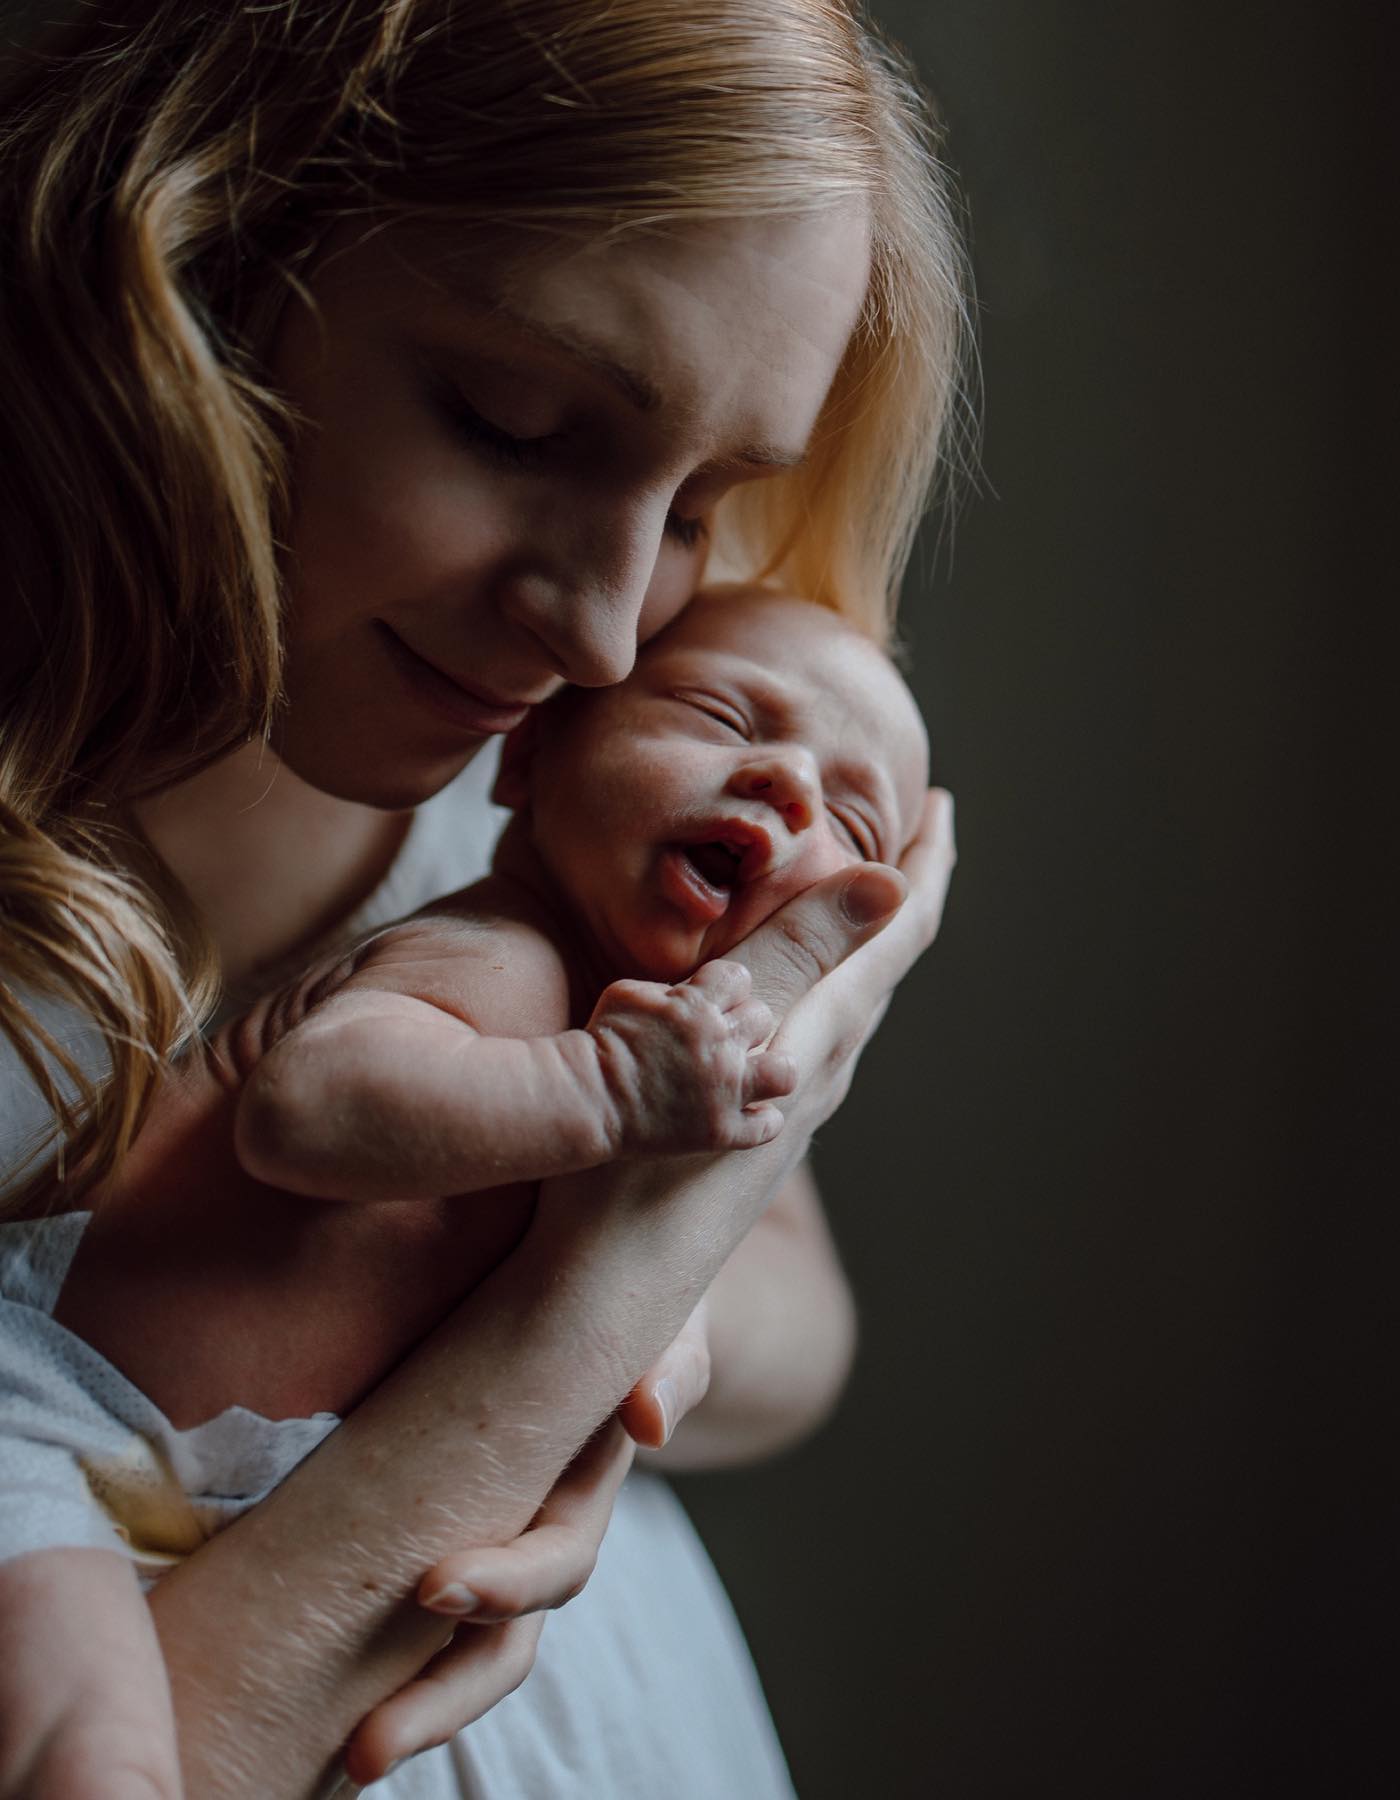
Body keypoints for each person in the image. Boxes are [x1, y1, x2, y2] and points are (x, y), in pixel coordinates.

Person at [0, 2, 973, 1795]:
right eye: (515, 423)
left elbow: (798, 1314)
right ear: (204, 259)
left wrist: (624, 1340)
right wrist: (505, 1391)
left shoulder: (553, 778)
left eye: (701, 503)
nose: (608, 633)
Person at [0, 588, 930, 1791]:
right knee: (90, 1745)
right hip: (62, 1423)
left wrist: (646, 1300)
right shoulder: (504, 953)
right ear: (530, 759)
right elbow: (307, 1112)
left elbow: (799, 1318)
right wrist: (604, 1091)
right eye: (723, 716)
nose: (791, 788)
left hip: (217, 1510)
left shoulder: (666, 1065)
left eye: (853, 819)